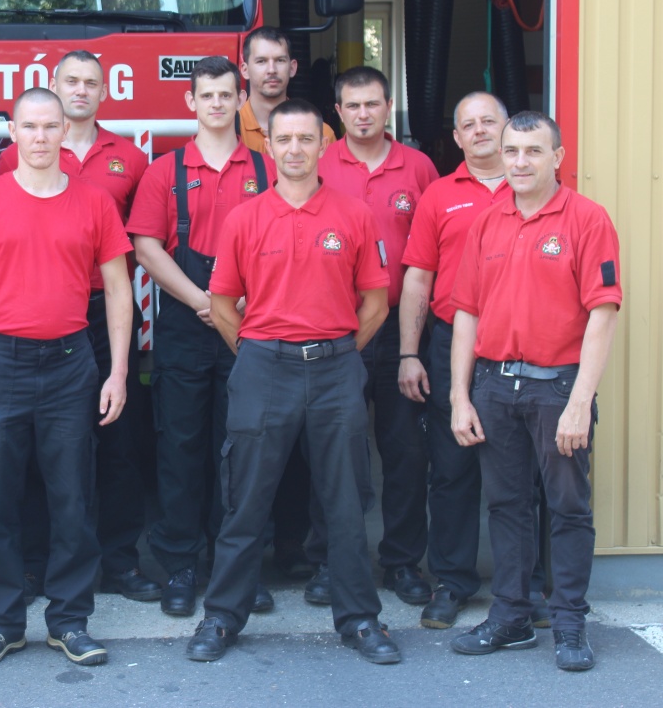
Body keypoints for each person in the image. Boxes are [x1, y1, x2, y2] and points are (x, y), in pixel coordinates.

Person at [188, 98, 400, 665]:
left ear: (322, 145)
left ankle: (360, 621)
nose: (295, 150)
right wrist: (261, 353)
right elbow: (223, 303)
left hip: (335, 369)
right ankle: (222, 618)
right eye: (284, 140)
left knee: (346, 502)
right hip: (263, 368)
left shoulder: (354, 214)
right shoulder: (246, 218)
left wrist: (333, 353)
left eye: (306, 139)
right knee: (245, 500)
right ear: (268, 145)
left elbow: (376, 304)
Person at [0, 88, 132, 668]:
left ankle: (69, 622)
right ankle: (2, 625)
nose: (42, 137)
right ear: (14, 134)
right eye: (30, 126)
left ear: (63, 132)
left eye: (51, 126)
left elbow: (120, 289)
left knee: (72, 496)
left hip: (72, 360)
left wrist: (118, 370)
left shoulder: (94, 201)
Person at [448, 111, 620, 672]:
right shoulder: (486, 222)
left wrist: (579, 402)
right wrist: (460, 395)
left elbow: (602, 313)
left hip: (557, 390)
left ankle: (569, 625)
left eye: (533, 152)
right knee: (506, 506)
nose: (520, 162)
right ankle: (512, 617)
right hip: (496, 387)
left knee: (567, 508)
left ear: (558, 158)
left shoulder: (587, 219)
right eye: (512, 151)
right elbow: (466, 314)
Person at [0, 50, 159, 603]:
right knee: (45, 451)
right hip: (45, 315)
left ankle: (119, 561)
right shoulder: (23, 156)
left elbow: (140, 241)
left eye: (92, 82)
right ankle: (38, 565)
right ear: (55, 87)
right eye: (72, 81)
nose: (82, 89)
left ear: (103, 91)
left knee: (116, 442)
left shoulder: (130, 158)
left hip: (105, 313)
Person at [126, 56, 274, 618]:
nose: (216, 103)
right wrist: (202, 301)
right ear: (189, 102)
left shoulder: (265, 168)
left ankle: (238, 569)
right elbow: (146, 248)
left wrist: (238, 304)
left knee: (241, 451)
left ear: (240, 99)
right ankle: (182, 568)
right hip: (187, 326)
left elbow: (279, 243)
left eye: (225, 94)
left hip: (250, 322)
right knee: (181, 448)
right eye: (205, 95)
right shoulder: (165, 171)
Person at [308, 66, 438, 609]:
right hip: (335, 331)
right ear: (337, 113)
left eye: (373, 104)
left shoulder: (420, 168)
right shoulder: (316, 162)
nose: (363, 114)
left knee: (404, 450)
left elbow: (432, 255)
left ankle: (403, 562)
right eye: (352, 105)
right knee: (333, 450)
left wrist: (413, 343)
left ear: (389, 107)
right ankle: (328, 561)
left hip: (400, 333)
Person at [399, 91, 518, 628]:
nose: (479, 131)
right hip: (452, 343)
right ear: (456, 137)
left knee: (524, 471)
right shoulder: (439, 197)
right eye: (467, 125)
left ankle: (527, 587)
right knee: (451, 466)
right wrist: (408, 351)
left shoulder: (535, 189)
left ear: (507, 127)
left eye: (488, 122)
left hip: (522, 344)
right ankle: (452, 581)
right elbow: (418, 278)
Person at [237, 26, 336, 154]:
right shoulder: (229, 130)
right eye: (261, 61)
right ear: (245, 70)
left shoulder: (321, 133)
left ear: (292, 68)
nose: (271, 70)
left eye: (280, 60)